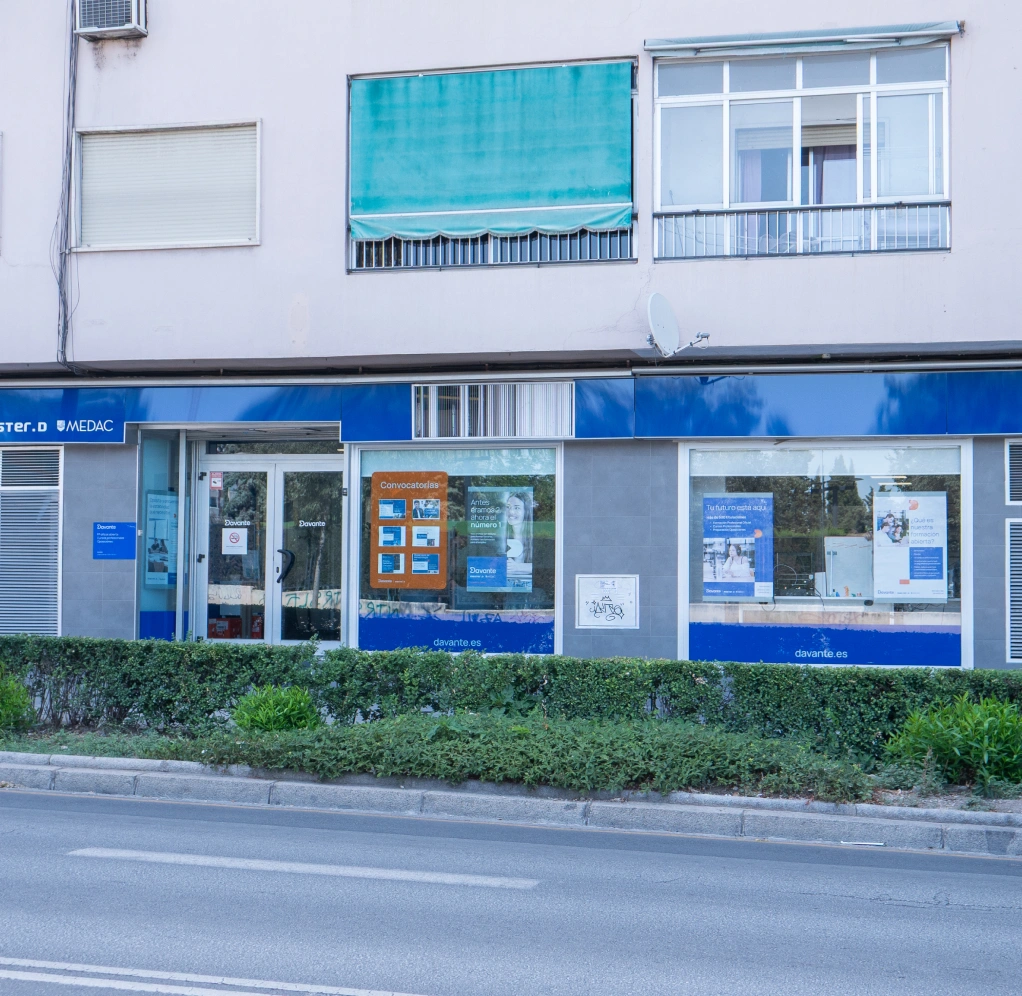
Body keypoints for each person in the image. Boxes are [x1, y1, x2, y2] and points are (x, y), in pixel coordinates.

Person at [504, 492, 533, 565]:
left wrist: (519, 568)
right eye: (508, 507)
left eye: (517, 508)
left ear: (526, 511)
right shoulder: (501, 539)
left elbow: (543, 567)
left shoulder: (535, 539)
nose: (511, 511)